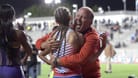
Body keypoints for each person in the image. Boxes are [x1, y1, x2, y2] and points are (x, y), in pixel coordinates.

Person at [36, 7, 107, 78]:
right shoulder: (65, 30)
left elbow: (81, 58)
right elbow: (38, 42)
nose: (78, 19)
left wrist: (57, 61)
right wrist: (44, 44)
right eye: (77, 16)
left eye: (83, 17)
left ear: (91, 21)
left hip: (89, 75)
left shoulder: (92, 36)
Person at [38, 6, 84, 78]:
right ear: (70, 17)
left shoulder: (53, 36)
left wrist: (50, 62)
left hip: (57, 75)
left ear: (56, 21)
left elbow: (41, 55)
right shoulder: (76, 35)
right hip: (73, 74)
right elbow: (81, 58)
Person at [0, 4, 32, 78]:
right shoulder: (19, 34)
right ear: (13, 17)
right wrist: (24, 59)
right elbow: (29, 51)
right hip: (13, 69)